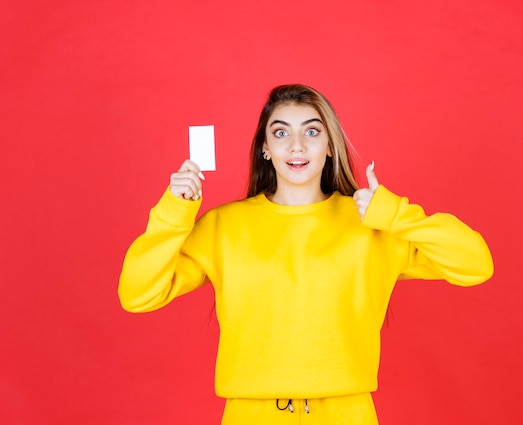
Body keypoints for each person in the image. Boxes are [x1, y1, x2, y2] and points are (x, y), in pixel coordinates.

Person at [118, 83, 494, 424]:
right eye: (281, 133)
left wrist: (395, 215)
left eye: (311, 132)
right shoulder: (223, 227)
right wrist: (174, 211)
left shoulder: (373, 224)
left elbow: (475, 264)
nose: (296, 146)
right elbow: (138, 294)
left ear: (330, 145)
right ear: (265, 148)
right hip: (251, 414)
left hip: (348, 413)